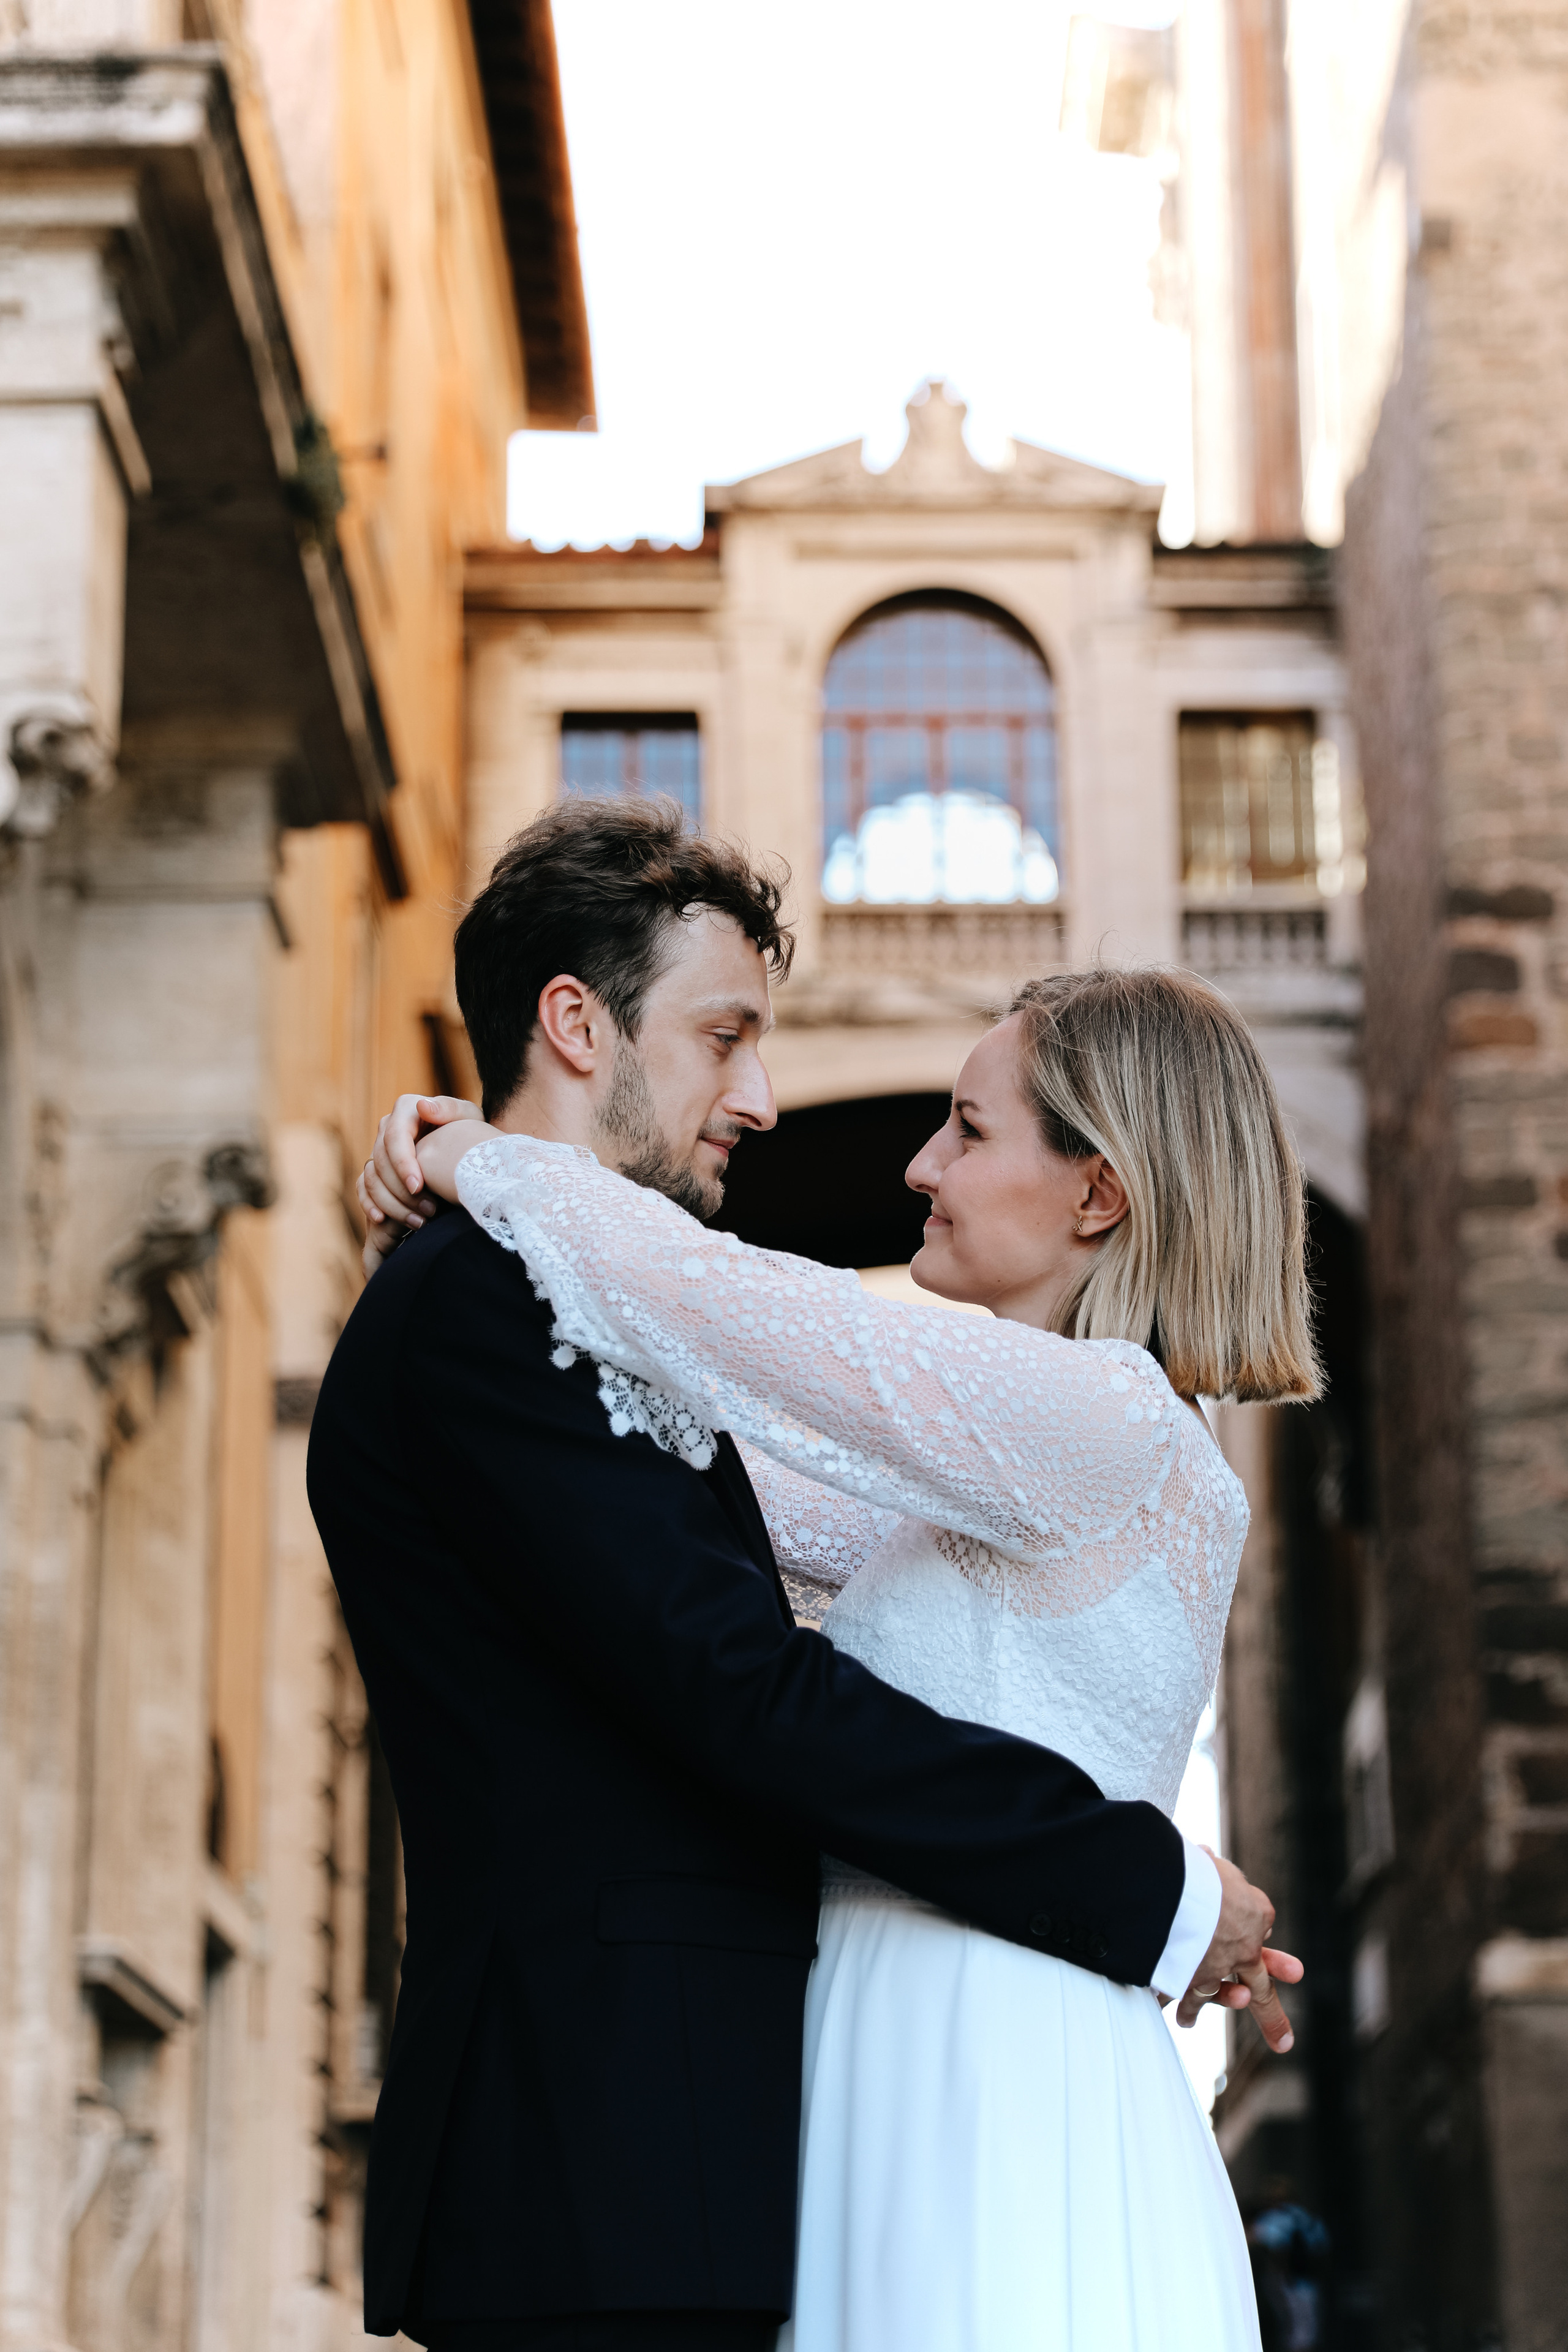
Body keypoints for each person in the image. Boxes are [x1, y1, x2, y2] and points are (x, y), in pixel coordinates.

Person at [319, 796, 1297, 2352]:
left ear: (1098, 1194)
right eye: (727, 1037)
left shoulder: (1095, 1418)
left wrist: (488, 1160)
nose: (908, 1160)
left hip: (975, 2061)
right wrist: (494, 1176)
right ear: (577, 1024)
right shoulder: (504, 1322)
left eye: (964, 1130)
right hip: (748, 2101)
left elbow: (746, 1323)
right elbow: (731, 1579)